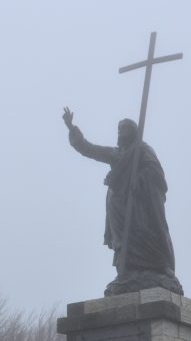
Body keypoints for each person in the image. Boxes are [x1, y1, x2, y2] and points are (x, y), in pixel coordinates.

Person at [62, 107, 183, 296]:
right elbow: (89, 148)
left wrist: (139, 179)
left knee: (145, 234)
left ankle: (159, 268)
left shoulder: (143, 150)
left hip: (139, 204)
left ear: (133, 132)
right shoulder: (116, 154)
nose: (120, 132)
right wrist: (72, 128)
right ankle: (127, 272)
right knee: (122, 241)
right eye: (119, 129)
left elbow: (156, 173)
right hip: (117, 205)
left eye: (124, 129)